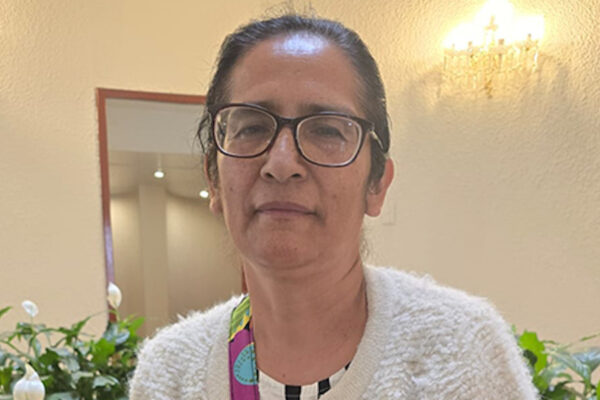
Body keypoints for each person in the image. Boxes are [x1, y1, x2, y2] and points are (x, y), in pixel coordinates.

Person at [129, 13, 538, 400]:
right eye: (251, 127)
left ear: (376, 184)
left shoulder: (462, 350)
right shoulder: (170, 370)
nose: (281, 164)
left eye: (326, 130)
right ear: (213, 180)